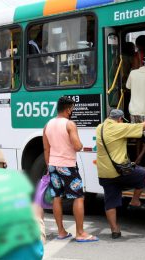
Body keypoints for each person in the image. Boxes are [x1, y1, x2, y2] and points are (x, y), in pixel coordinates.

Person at [43, 96, 98, 242]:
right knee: (78, 197)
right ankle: (80, 233)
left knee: (57, 197)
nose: (72, 111)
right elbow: (77, 146)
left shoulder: (48, 125)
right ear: (68, 109)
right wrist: (80, 144)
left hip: (53, 165)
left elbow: (46, 149)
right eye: (72, 109)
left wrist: (49, 167)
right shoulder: (69, 124)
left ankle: (61, 232)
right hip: (67, 165)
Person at [96, 109, 145, 239]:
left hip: (104, 173)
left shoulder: (99, 127)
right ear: (120, 119)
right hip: (120, 171)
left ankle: (115, 230)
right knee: (144, 174)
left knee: (110, 200)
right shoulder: (119, 127)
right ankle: (134, 201)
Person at [126, 59, 145, 164]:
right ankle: (139, 159)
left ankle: (136, 157)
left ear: (141, 63)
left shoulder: (133, 73)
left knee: (138, 135)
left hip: (134, 110)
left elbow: (127, 87)